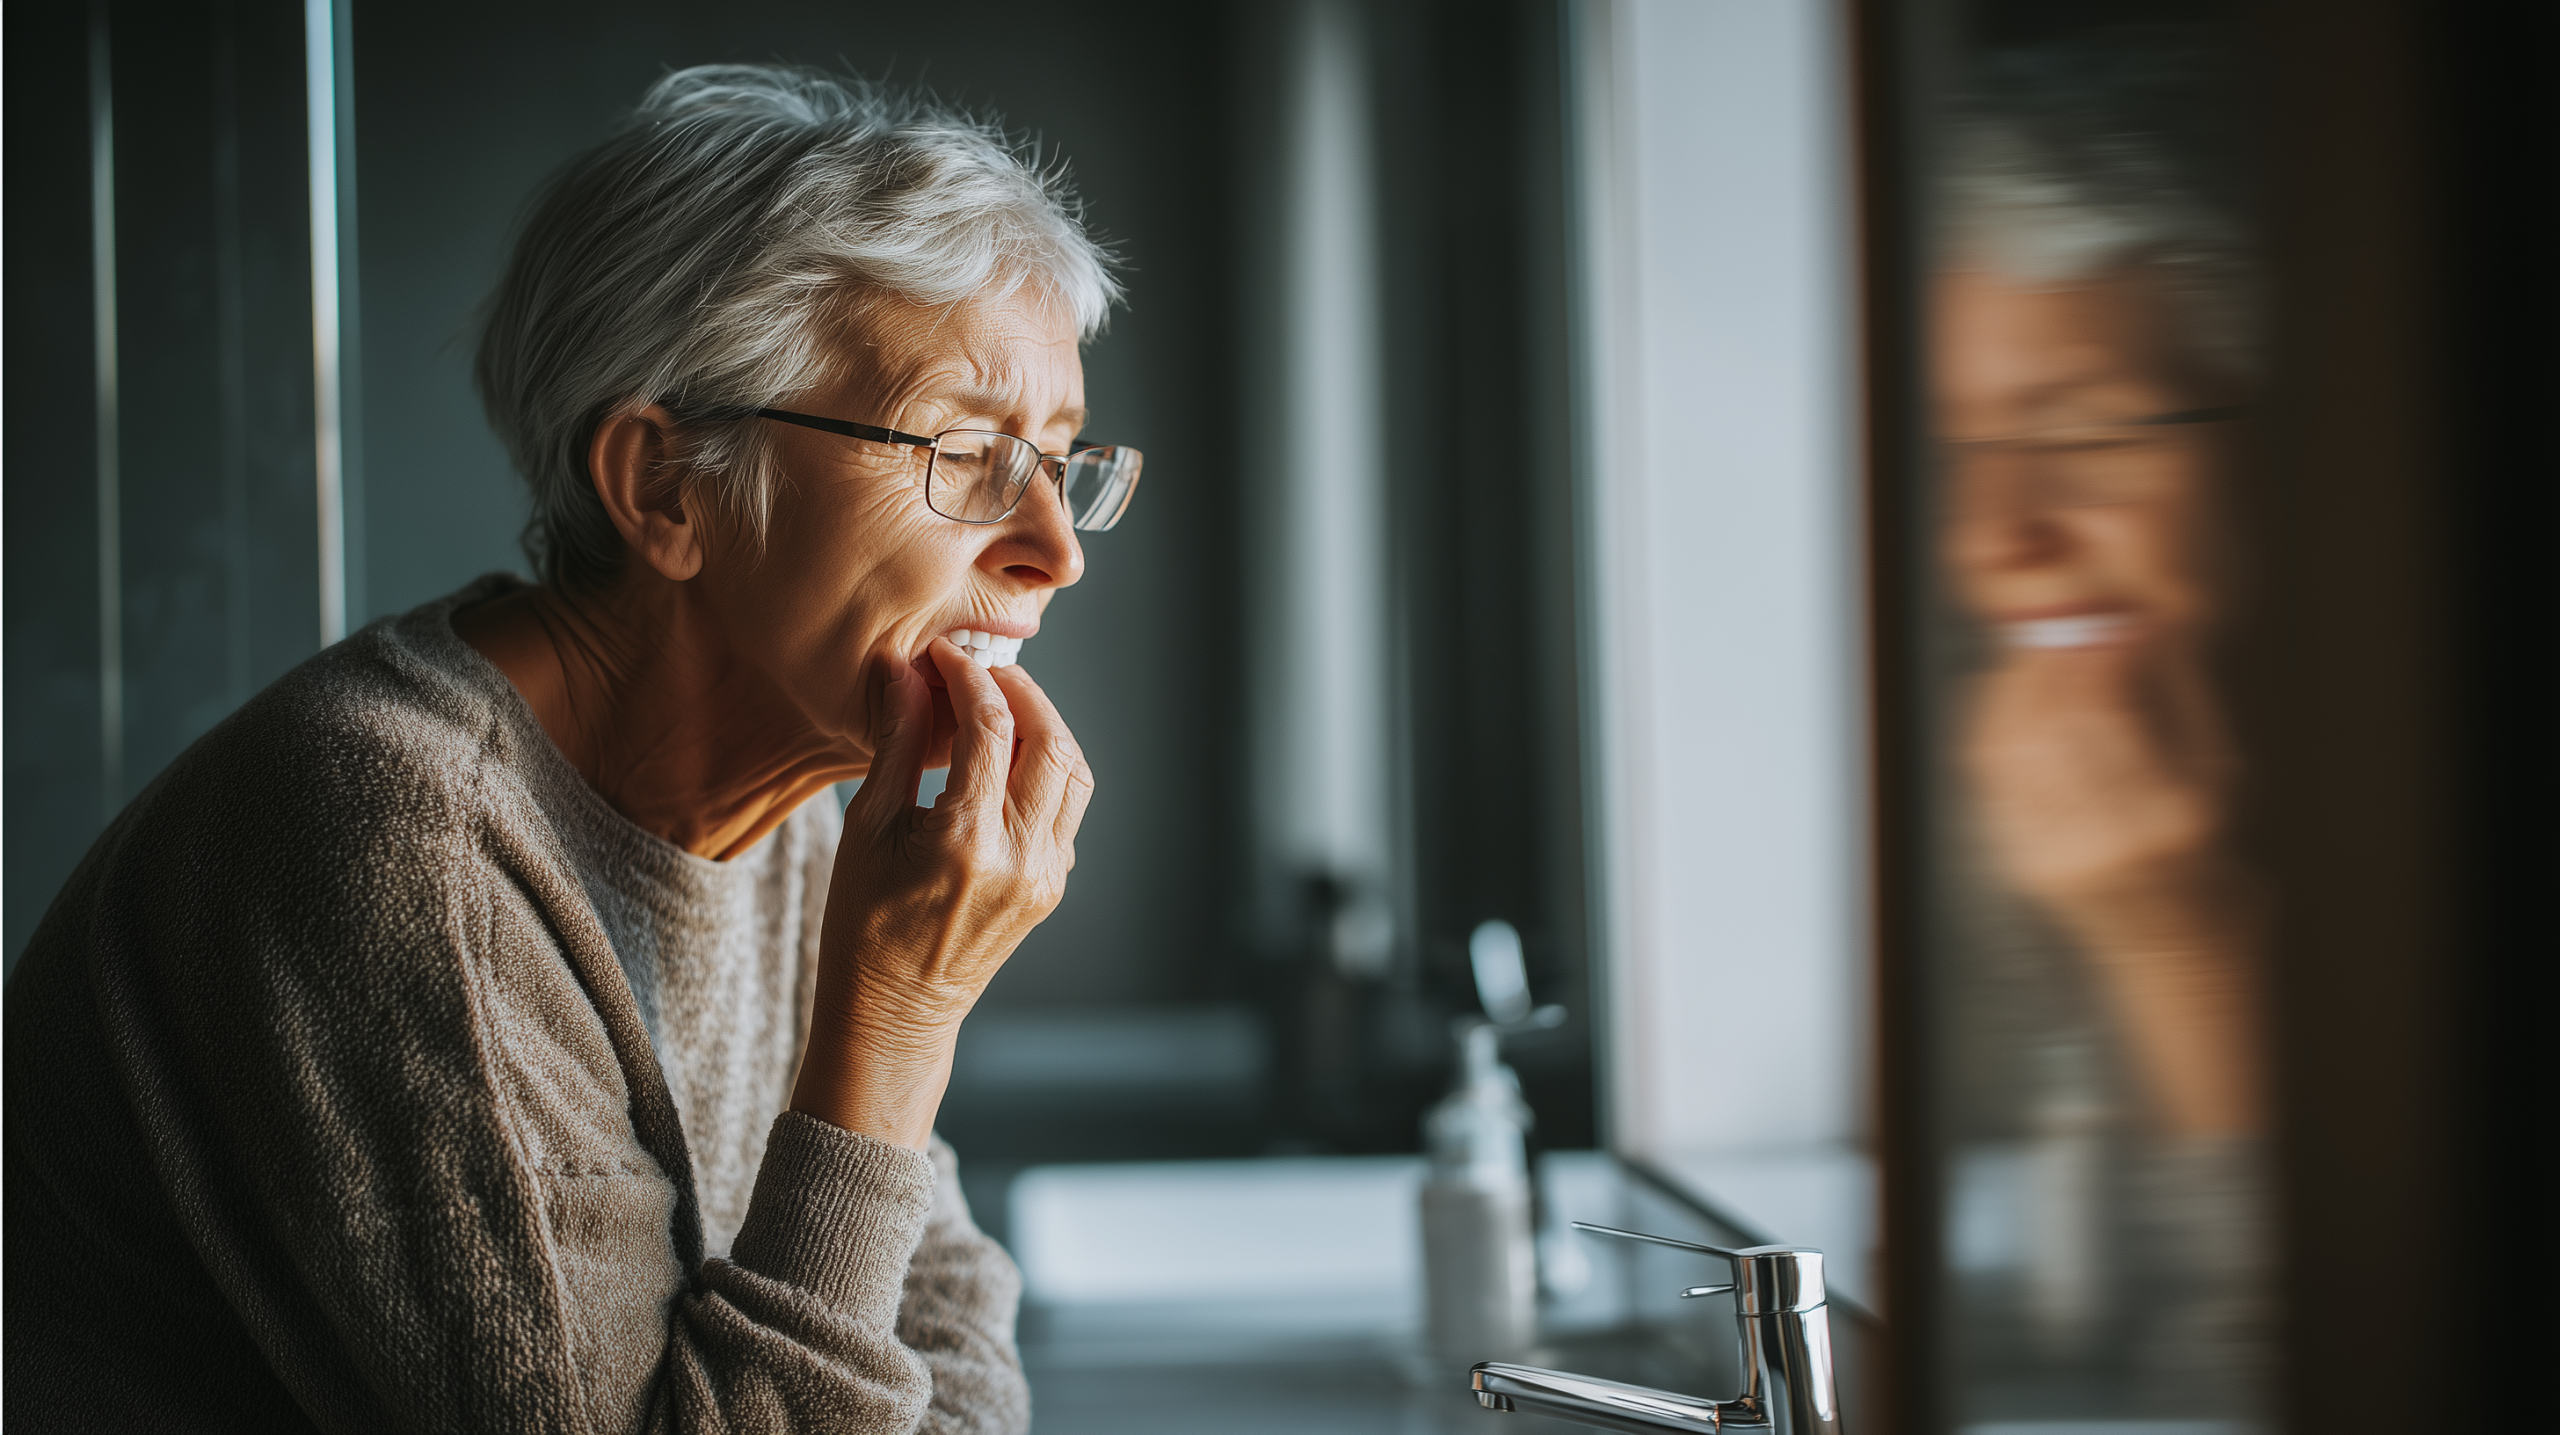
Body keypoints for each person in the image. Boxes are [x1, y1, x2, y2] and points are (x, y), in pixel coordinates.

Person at [4, 65, 1141, 1433]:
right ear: (666, 487)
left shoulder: (789, 814)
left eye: (1063, 461)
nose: (1057, 552)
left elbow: (940, 1298)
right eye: (968, 454)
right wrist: (894, 1017)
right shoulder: (397, 849)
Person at [1931, 29, 2267, 1417]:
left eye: (2089, 430)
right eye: (1958, 447)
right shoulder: (1975, 814)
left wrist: (2173, 936)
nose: (1994, 538)